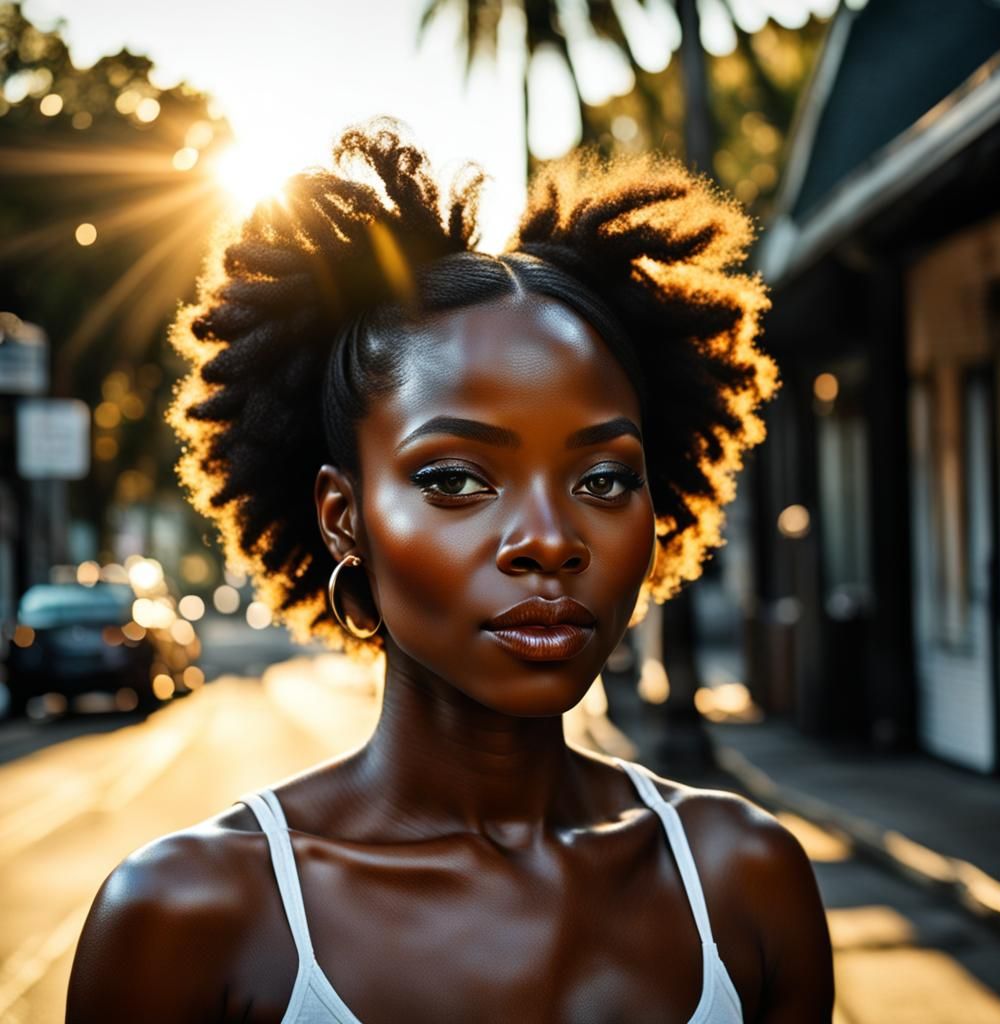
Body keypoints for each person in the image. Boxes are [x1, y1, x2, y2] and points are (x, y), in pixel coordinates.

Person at [66, 120, 834, 1023]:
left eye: (603, 478)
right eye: (457, 479)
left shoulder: (744, 884)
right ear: (343, 517)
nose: (549, 539)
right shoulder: (189, 919)